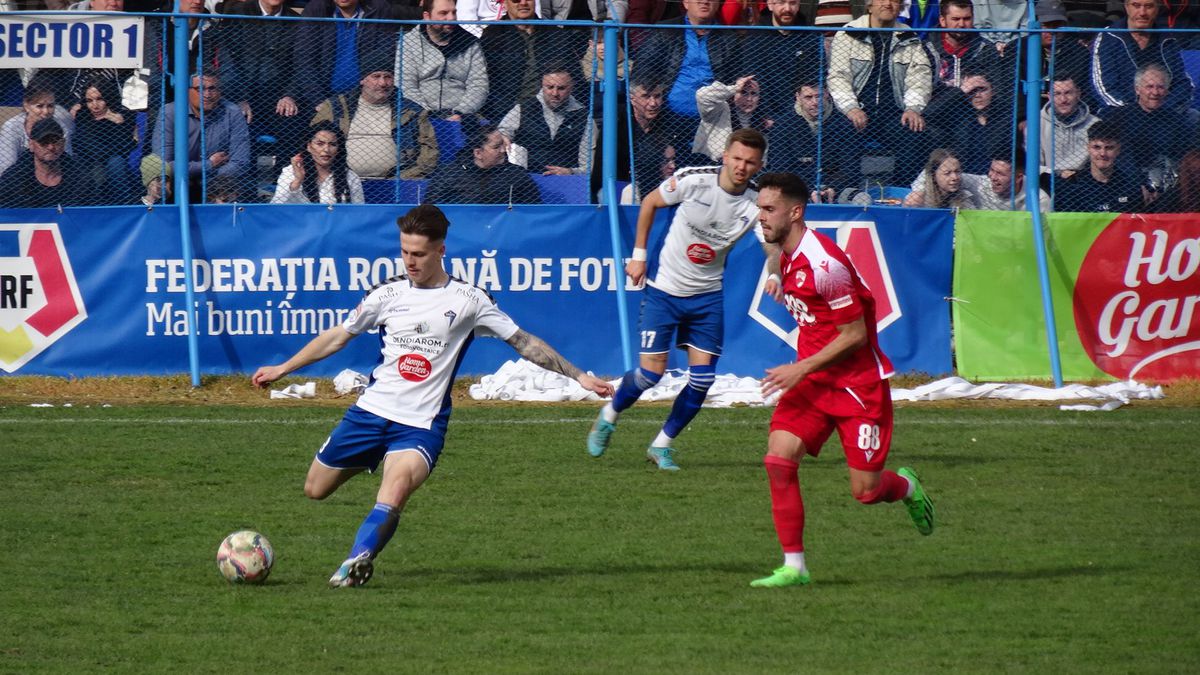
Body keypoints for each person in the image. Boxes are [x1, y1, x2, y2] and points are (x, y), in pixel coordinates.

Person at [251, 203, 613, 588]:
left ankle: (356, 561)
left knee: (395, 491)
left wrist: (579, 376)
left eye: (419, 253)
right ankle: (376, 458)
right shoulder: (385, 295)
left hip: (419, 425)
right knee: (315, 489)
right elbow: (339, 335)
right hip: (369, 414)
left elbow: (524, 342)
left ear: (441, 250)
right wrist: (282, 368)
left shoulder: (470, 300)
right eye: (405, 251)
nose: (410, 261)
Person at [747, 170, 933, 589]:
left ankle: (906, 487)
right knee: (778, 460)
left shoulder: (824, 264)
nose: (760, 217)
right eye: (759, 208)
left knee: (866, 491)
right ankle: (794, 567)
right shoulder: (787, 247)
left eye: (768, 209)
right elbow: (776, 252)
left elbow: (855, 335)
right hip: (814, 385)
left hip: (856, 386)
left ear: (795, 213)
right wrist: (775, 273)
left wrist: (799, 368)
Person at [585, 128, 777, 470]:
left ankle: (661, 446)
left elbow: (772, 245)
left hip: (706, 298)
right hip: (664, 291)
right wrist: (639, 255)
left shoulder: (754, 202)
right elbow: (650, 203)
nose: (742, 167)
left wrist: (775, 273)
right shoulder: (693, 180)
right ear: (724, 156)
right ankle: (610, 413)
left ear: (759, 164)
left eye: (750, 162)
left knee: (703, 379)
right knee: (649, 376)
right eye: (736, 158)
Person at [827, 0, 933, 184]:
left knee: (913, 132)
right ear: (869, 5)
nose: (888, 4)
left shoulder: (909, 37)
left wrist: (913, 108)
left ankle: (903, 192)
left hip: (893, 114)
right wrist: (851, 108)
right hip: (855, 112)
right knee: (845, 131)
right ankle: (850, 191)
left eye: (894, 0)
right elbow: (838, 77)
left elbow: (920, 78)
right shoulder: (849, 34)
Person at [312, 56, 440, 180]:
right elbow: (312, 140)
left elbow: (430, 149)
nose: (383, 83)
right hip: (343, 179)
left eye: (388, 77)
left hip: (397, 181)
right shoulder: (336, 106)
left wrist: (405, 177)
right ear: (363, 80)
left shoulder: (411, 110)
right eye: (376, 76)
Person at [478, 0, 589, 123]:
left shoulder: (557, 35)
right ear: (505, 4)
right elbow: (484, 81)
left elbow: (576, 77)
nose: (523, 3)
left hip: (553, 112)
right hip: (506, 113)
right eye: (516, 0)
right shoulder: (493, 36)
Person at [635, 0, 744, 123]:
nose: (704, 2)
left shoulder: (729, 39)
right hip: (666, 118)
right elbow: (642, 68)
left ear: (718, 4)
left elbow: (736, 76)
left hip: (712, 119)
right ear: (686, 3)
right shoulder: (665, 31)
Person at [150, 72, 252, 201]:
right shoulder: (170, 112)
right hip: (180, 179)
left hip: (217, 180)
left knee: (228, 188)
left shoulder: (232, 112)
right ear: (187, 91)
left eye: (212, 88)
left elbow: (240, 162)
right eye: (200, 89)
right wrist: (208, 164)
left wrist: (211, 181)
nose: (207, 94)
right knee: (159, 184)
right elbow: (164, 164)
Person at [1091, 0, 1196, 112]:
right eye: (1136, 6)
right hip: (1120, 114)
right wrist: (1135, 113)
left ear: (1157, 9)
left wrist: (1163, 111)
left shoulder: (1168, 39)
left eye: (1149, 6)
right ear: (1126, 7)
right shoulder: (1108, 37)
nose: (1142, 12)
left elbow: (1182, 83)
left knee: (1194, 117)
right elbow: (1103, 87)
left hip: (1164, 113)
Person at [398, 0, 490, 120]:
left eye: (454, 12)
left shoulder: (470, 43)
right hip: (419, 116)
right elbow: (405, 86)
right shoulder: (408, 42)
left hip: (463, 117)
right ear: (427, 16)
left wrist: (460, 112)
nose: (451, 18)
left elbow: (479, 85)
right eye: (443, 13)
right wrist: (426, 114)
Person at [498, 65, 595, 175]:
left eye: (561, 88)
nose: (555, 94)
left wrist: (571, 172)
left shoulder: (583, 116)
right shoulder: (523, 108)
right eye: (550, 87)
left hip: (566, 180)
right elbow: (502, 133)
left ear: (571, 87)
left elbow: (589, 164)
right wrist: (503, 137)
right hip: (526, 178)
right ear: (542, 86)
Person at [1102, 63, 1196, 174]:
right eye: (1149, 87)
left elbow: (1183, 156)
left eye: (1160, 87)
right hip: (1125, 180)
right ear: (1137, 89)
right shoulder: (1117, 118)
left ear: (1167, 91)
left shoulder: (1177, 122)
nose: (1155, 92)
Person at [767, 80, 855, 196]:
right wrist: (808, 190)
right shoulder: (783, 125)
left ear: (827, 94)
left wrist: (832, 188)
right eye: (808, 97)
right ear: (798, 97)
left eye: (819, 96)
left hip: (835, 189)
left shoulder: (843, 125)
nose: (815, 102)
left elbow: (850, 168)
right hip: (795, 189)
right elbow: (780, 168)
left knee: (861, 198)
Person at [425, 122, 542, 203]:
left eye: (503, 144)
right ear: (478, 153)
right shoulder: (449, 174)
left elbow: (533, 211)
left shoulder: (516, 175)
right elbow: (430, 208)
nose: (503, 150)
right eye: (496, 147)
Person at [911, 146, 1051, 210]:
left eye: (1000, 174)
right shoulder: (980, 184)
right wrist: (919, 191)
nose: (992, 177)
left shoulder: (1038, 199)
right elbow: (935, 171)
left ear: (1019, 177)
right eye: (991, 170)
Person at [1054, 119, 1148, 212]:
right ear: (1088, 148)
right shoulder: (1072, 186)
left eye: (1109, 148)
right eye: (1097, 147)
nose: (1103, 153)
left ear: (1118, 150)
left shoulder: (1130, 187)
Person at [753, 0, 824, 120]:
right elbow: (753, 77)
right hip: (763, 115)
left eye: (792, 3)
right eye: (781, 2)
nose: (787, 8)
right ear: (770, 4)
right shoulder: (755, 37)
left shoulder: (811, 37)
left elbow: (815, 79)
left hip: (802, 115)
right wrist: (766, 114)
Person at [0, 118, 95, 208]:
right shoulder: (13, 178)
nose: (51, 147)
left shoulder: (81, 176)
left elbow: (95, 211)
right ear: (31, 145)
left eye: (56, 141)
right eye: (44, 142)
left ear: (63, 143)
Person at [71, 76, 137, 202]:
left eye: (99, 99)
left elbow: (127, 147)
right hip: (89, 163)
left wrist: (120, 124)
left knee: (115, 163)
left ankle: (124, 206)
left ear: (108, 97)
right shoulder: (82, 115)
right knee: (98, 169)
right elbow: (83, 146)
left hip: (116, 165)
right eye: (89, 101)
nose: (95, 106)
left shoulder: (123, 115)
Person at [272, 122, 366, 204]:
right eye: (320, 144)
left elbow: (359, 210)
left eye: (332, 144)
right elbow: (275, 207)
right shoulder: (290, 172)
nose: (326, 150)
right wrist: (297, 181)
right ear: (309, 147)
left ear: (338, 149)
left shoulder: (350, 177)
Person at [0, 76, 76, 177]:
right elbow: (6, 169)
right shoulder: (12, 128)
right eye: (39, 106)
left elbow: (68, 162)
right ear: (26, 105)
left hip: (56, 176)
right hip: (21, 179)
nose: (46, 112)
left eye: (50, 106)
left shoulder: (61, 125)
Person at [692, 75, 774, 163]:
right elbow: (702, 95)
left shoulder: (763, 122)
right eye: (743, 92)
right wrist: (736, 88)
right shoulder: (720, 109)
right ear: (734, 95)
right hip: (711, 163)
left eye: (753, 93)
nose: (749, 99)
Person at [1039, 72, 1100, 178]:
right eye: (1057, 94)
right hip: (1048, 181)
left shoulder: (1094, 124)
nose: (1063, 100)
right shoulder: (1037, 124)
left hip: (1085, 182)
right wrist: (1058, 173)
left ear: (1078, 93)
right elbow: (1032, 165)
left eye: (1068, 93)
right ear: (1049, 96)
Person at [902, 147, 979, 208]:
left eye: (957, 171)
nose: (955, 177)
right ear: (933, 175)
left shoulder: (964, 200)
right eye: (947, 173)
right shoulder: (919, 200)